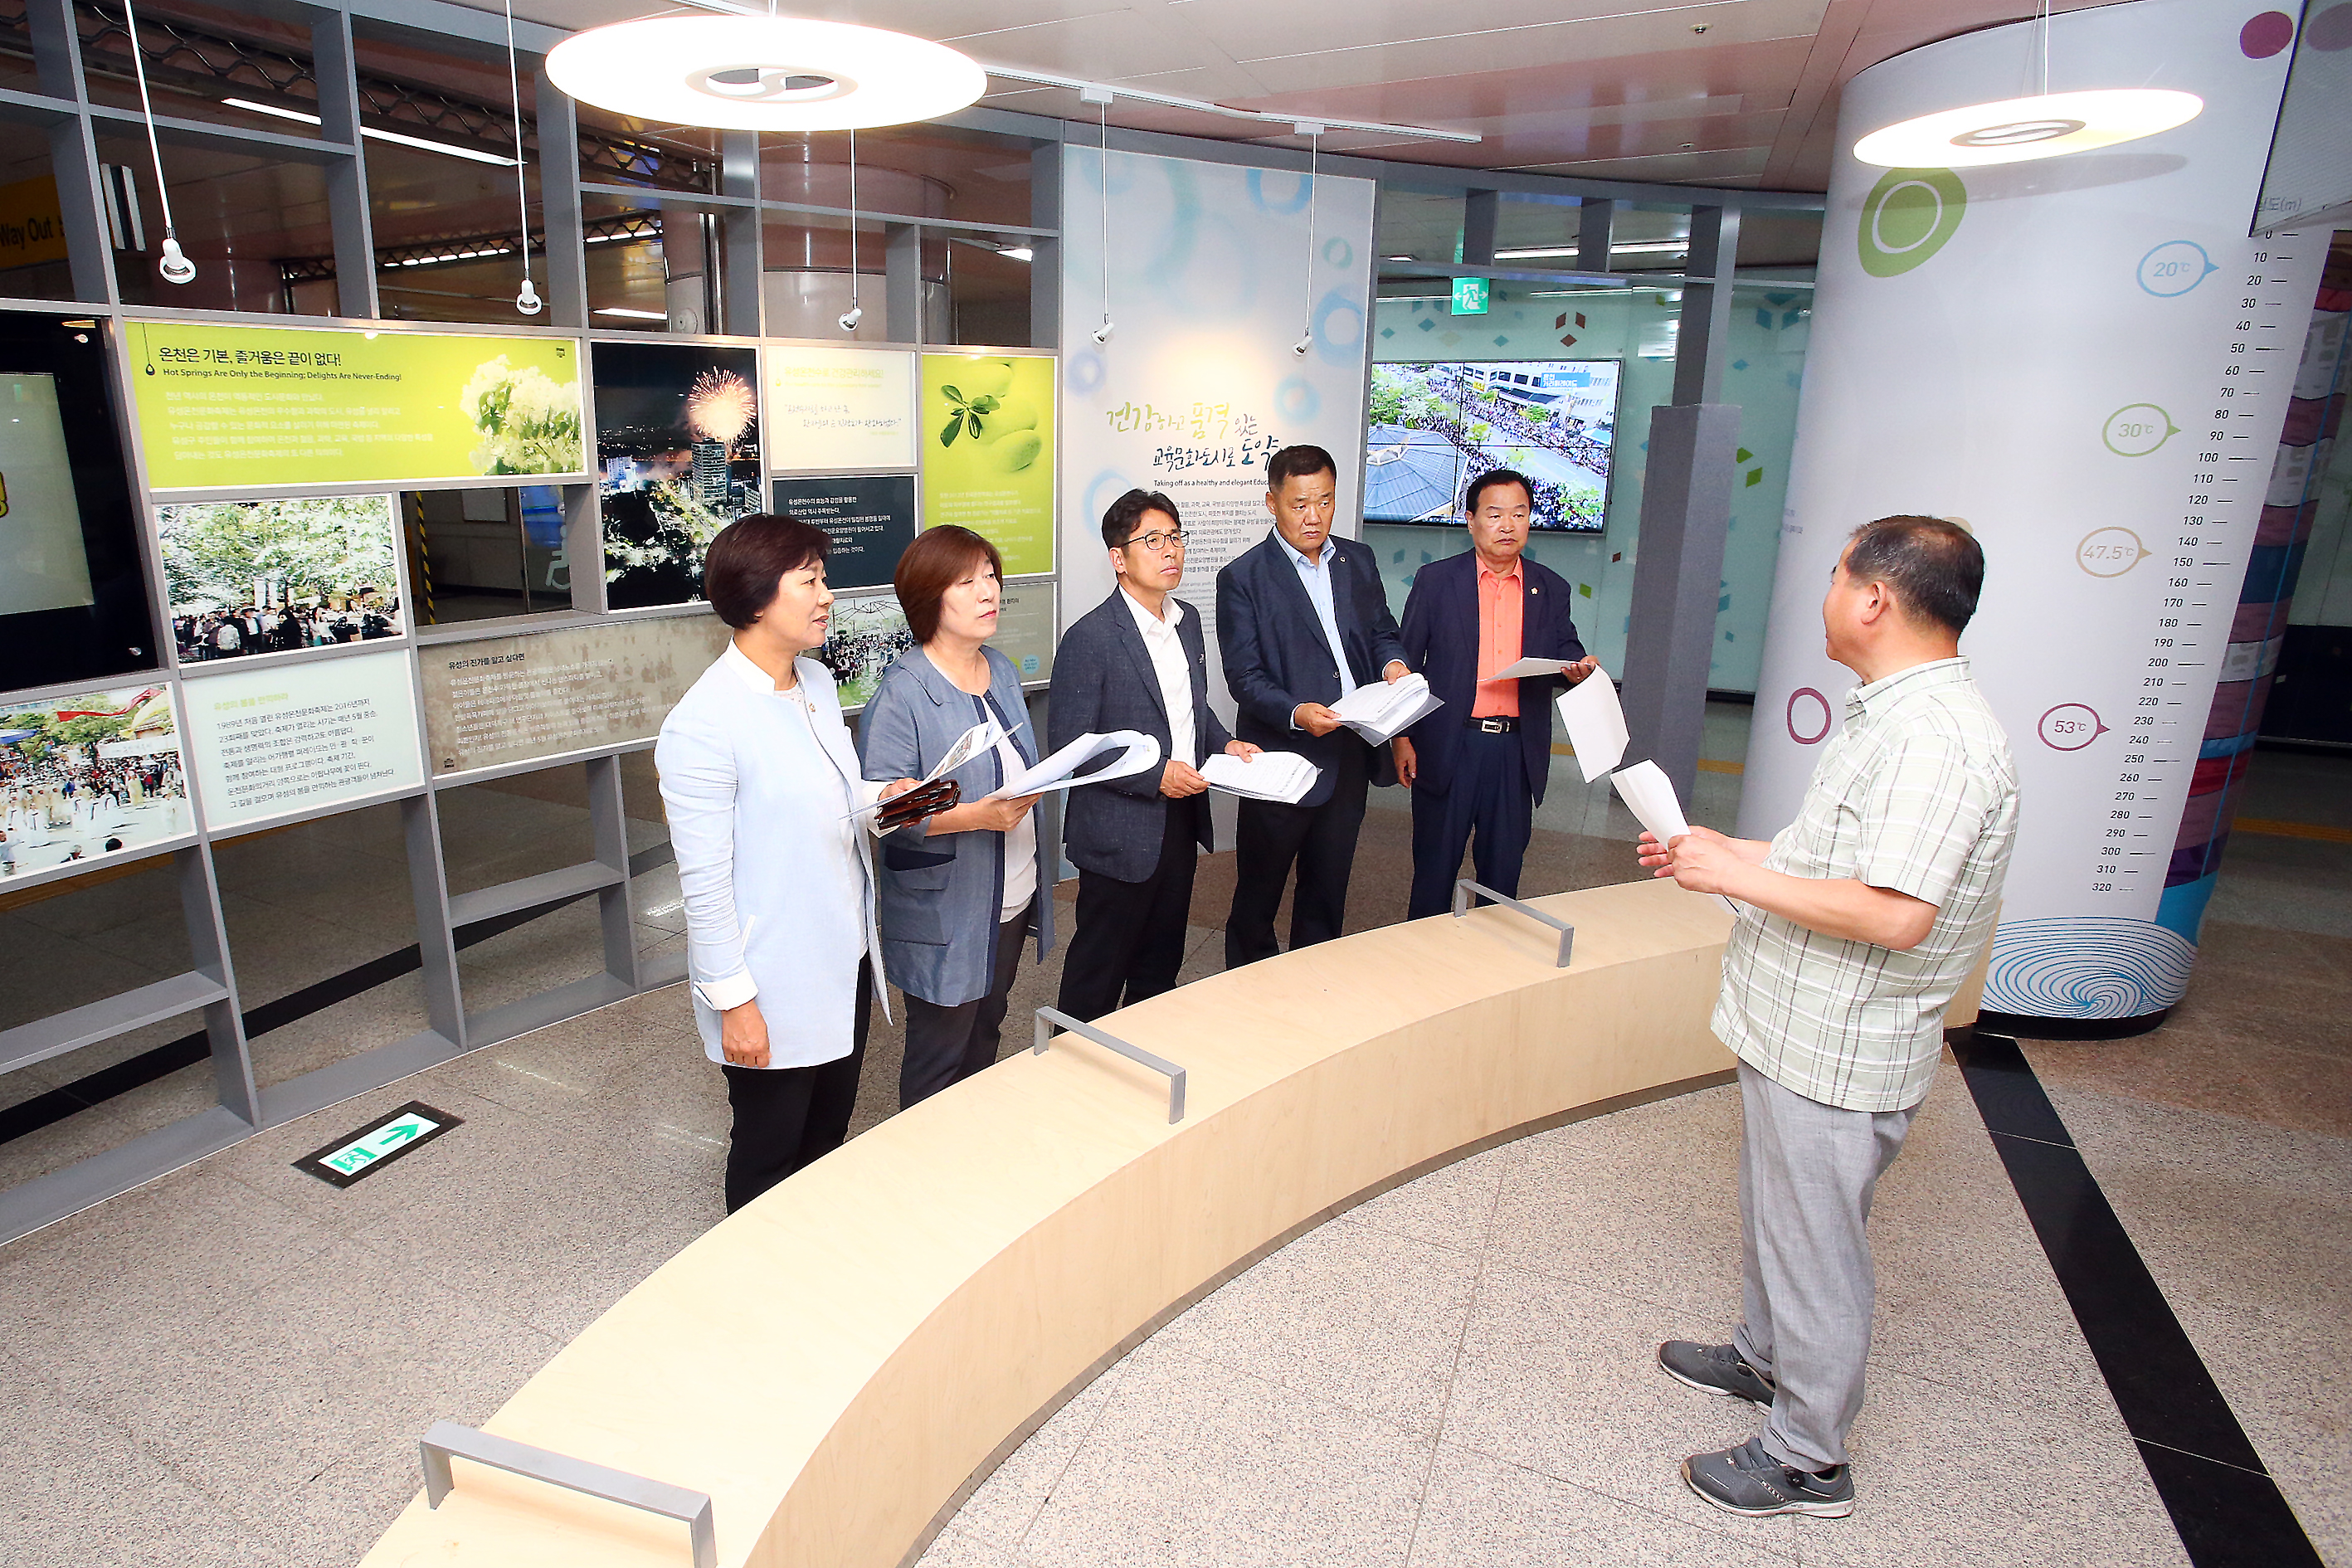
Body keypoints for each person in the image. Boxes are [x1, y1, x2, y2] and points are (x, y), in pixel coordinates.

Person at [1639, 516, 2017, 1519]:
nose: (1826, 595)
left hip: (1843, 1043)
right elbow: (1836, 860)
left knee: (1818, 1249)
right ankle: (1765, 1358)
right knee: (1780, 1216)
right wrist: (1727, 852)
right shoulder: (1891, 715)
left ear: (1875, 599)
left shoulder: (1935, 740)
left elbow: (1894, 913)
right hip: (1799, 1025)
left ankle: (1808, 1457)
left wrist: (1730, 877)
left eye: (1836, 576)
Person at [655, 514, 926, 1213]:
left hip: (841, 955)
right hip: (770, 979)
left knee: (826, 1133)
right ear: (754, 597)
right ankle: (750, 1269)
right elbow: (704, 886)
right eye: (808, 581)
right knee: (768, 1147)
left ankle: (807, 1252)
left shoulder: (813, 681)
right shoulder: (703, 724)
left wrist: (883, 797)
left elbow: (831, 796)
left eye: (822, 578)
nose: (826, 595)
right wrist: (735, 1004)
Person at [858, 525, 1053, 1109]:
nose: (988, 591)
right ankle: (923, 1160)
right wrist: (976, 816)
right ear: (929, 599)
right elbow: (885, 813)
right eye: (966, 582)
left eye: (990, 576)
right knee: (939, 1056)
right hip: (946, 905)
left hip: (1011, 894)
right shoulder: (902, 693)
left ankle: (968, 1147)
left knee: (985, 1033)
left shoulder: (1001, 669)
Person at [1054, 490, 1260, 1022]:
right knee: (1099, 970)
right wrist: (1153, 776)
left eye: (1174, 537)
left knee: (1160, 964)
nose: (1170, 550)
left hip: (1181, 819)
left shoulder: (1186, 621)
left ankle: (1143, 1053)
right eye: (1152, 540)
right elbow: (1072, 748)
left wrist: (1223, 742)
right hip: (1119, 829)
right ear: (1118, 558)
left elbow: (1189, 708)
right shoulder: (1090, 638)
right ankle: (1071, 1058)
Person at [1215, 444, 1409, 967]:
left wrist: (1392, 666)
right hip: (1283, 757)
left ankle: (1312, 975)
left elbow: (1381, 632)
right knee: (1260, 888)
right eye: (1299, 504)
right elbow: (1245, 677)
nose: (1314, 517)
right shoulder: (1243, 577)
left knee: (1329, 883)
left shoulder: (1357, 560)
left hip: (1350, 748)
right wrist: (1296, 713)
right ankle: (1248, 979)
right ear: (1272, 503)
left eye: (1325, 502)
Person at [1392, 468, 1599, 919]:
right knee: (1433, 872)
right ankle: (1419, 954)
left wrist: (1579, 667)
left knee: (1502, 875)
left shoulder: (1551, 587)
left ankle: (1491, 957)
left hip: (1515, 751)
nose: (1508, 525)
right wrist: (1402, 738)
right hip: (1449, 744)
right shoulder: (1436, 581)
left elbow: (1566, 646)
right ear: (1471, 521)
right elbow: (1406, 664)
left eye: (1519, 514)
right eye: (1495, 514)